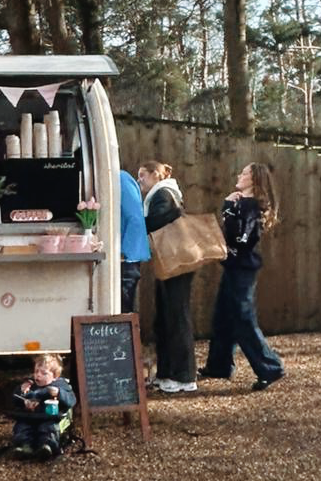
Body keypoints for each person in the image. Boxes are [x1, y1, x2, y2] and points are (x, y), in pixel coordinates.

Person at [198, 163, 284, 392]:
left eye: (244, 173)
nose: (239, 175)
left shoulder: (251, 206)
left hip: (242, 269)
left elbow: (241, 238)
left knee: (243, 319)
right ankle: (219, 365)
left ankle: (270, 367)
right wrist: (230, 206)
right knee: (223, 315)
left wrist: (228, 207)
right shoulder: (243, 204)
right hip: (235, 266)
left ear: (254, 180)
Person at [138, 160, 197, 395]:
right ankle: (167, 372)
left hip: (176, 264)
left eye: (143, 175)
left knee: (176, 318)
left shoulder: (163, 194)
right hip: (172, 263)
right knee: (165, 318)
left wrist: (134, 222)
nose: (140, 180)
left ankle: (184, 375)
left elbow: (156, 221)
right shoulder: (164, 194)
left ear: (156, 175)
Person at [10, 353, 76, 460]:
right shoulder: (31, 386)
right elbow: (15, 399)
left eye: (44, 373)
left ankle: (47, 447)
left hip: (49, 417)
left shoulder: (59, 386)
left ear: (55, 376)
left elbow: (71, 400)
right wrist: (23, 396)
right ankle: (24, 446)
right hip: (31, 417)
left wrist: (59, 393)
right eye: (36, 371)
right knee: (22, 426)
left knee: (48, 429)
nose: (38, 375)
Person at [119, 169, 150, 315]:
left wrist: (126, 253)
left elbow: (135, 218)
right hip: (124, 254)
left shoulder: (121, 179)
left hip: (126, 257)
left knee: (124, 308)